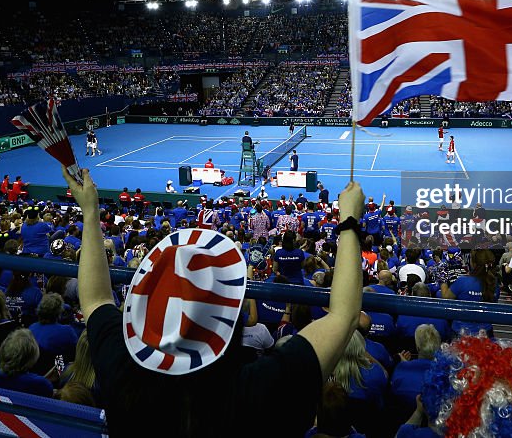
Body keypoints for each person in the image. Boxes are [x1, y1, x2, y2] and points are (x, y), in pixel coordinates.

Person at [60, 163, 365, 438]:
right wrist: (349, 219)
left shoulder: (121, 372)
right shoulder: (259, 390)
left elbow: (96, 298)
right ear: (232, 316)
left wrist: (90, 212)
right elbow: (345, 315)